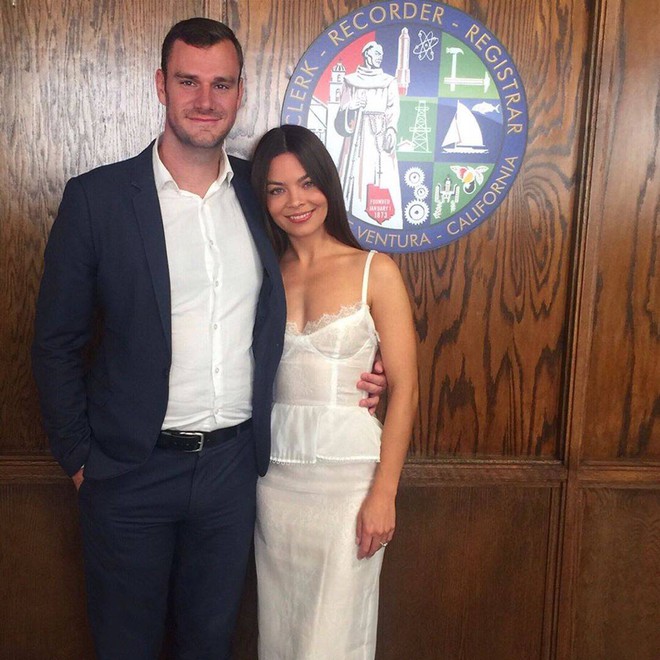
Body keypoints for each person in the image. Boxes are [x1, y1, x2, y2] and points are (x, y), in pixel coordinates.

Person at [31, 18, 384, 660]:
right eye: (187, 81)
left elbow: (311, 291)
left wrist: (356, 364)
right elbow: (56, 342)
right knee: (125, 646)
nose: (204, 100)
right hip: (128, 471)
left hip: (233, 473)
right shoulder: (97, 200)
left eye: (221, 84)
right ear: (160, 85)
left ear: (241, 91)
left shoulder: (263, 195)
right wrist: (80, 460)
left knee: (209, 644)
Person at [250, 124, 418, 659]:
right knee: (281, 634)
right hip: (274, 482)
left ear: (328, 184)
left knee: (333, 639)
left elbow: (406, 388)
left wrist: (384, 494)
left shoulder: (375, 271)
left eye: (307, 183)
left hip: (350, 484)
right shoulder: (261, 276)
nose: (296, 201)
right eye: (277, 189)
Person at [335, 41, 403, 228]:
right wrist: (352, 106)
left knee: (382, 173)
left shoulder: (388, 81)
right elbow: (342, 109)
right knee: (356, 172)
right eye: (376, 53)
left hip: (380, 132)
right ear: (366, 55)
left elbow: (393, 108)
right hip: (357, 132)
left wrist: (391, 129)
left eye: (381, 54)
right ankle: (352, 215)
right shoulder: (350, 80)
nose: (380, 57)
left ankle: (384, 220)